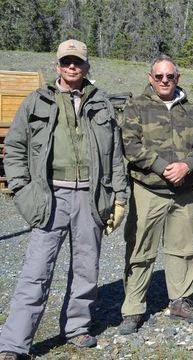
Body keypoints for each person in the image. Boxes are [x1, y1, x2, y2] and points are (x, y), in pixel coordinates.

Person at [0, 39, 129, 357]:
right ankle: (15, 344)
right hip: (49, 197)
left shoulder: (101, 103)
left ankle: (76, 328)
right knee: (36, 270)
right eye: (66, 61)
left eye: (78, 62)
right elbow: (14, 148)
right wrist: (21, 189)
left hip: (90, 196)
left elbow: (115, 155)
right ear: (57, 65)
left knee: (87, 267)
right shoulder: (36, 101)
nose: (72, 66)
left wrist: (119, 197)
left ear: (87, 66)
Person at [118, 55, 193, 335]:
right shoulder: (136, 106)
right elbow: (129, 144)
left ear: (177, 78)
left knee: (184, 249)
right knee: (140, 250)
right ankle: (133, 310)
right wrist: (161, 167)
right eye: (159, 76)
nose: (164, 81)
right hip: (148, 189)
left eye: (170, 76)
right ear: (150, 77)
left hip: (183, 192)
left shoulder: (191, 110)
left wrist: (187, 165)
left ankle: (180, 302)